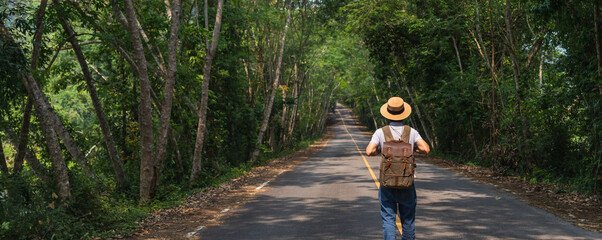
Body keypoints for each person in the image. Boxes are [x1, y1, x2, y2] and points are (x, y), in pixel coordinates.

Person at [366, 97, 430, 240]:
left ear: (387, 112)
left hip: (387, 183)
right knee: (408, 220)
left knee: (388, 219)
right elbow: (426, 149)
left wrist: (381, 150)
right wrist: (413, 150)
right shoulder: (411, 132)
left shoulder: (380, 132)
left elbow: (369, 151)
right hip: (406, 183)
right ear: (403, 112)